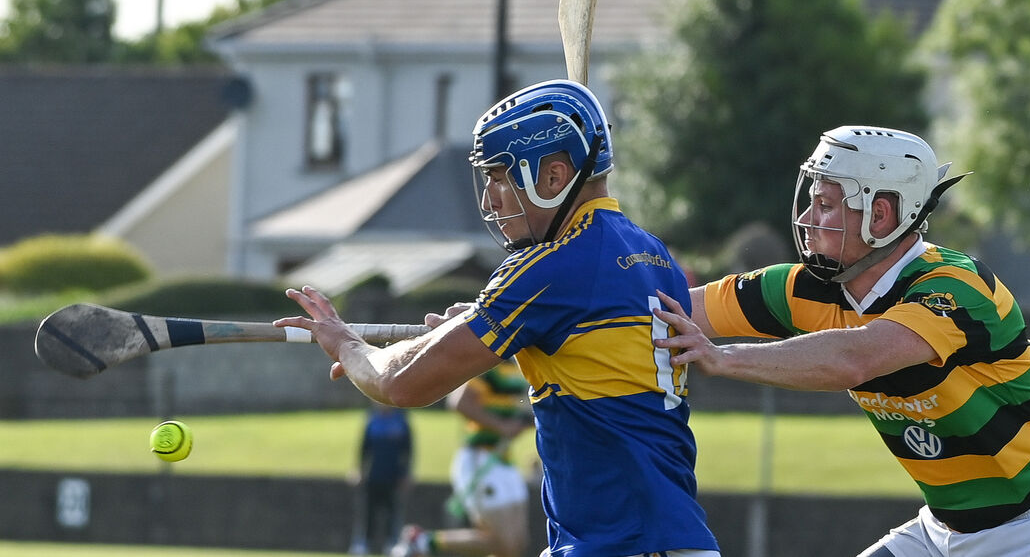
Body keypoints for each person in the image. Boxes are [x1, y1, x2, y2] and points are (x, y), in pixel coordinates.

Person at [276, 79, 720, 557]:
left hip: (622, 544)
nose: (490, 200)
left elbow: (401, 384)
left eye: (499, 177)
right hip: (669, 538)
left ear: (553, 177)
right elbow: (586, 346)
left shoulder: (549, 268)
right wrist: (482, 324)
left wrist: (347, 345)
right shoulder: (654, 256)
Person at [651, 126, 1030, 556]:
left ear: (880, 214)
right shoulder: (800, 288)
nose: (808, 218)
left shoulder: (955, 286)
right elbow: (664, 309)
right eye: (811, 201)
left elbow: (855, 357)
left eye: (826, 204)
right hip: (943, 530)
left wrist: (723, 358)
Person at [397, 358, 534, 557]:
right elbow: (459, 402)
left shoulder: (518, 365)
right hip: (481, 460)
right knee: (505, 543)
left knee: (518, 544)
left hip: (504, 461)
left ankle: (422, 542)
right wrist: (501, 426)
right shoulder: (490, 363)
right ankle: (423, 541)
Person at [350, 402, 414, 556]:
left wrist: (406, 474)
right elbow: (364, 449)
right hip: (373, 475)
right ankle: (364, 543)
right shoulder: (371, 420)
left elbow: (408, 450)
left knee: (393, 512)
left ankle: (392, 543)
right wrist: (359, 470)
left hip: (393, 476)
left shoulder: (401, 421)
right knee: (368, 512)